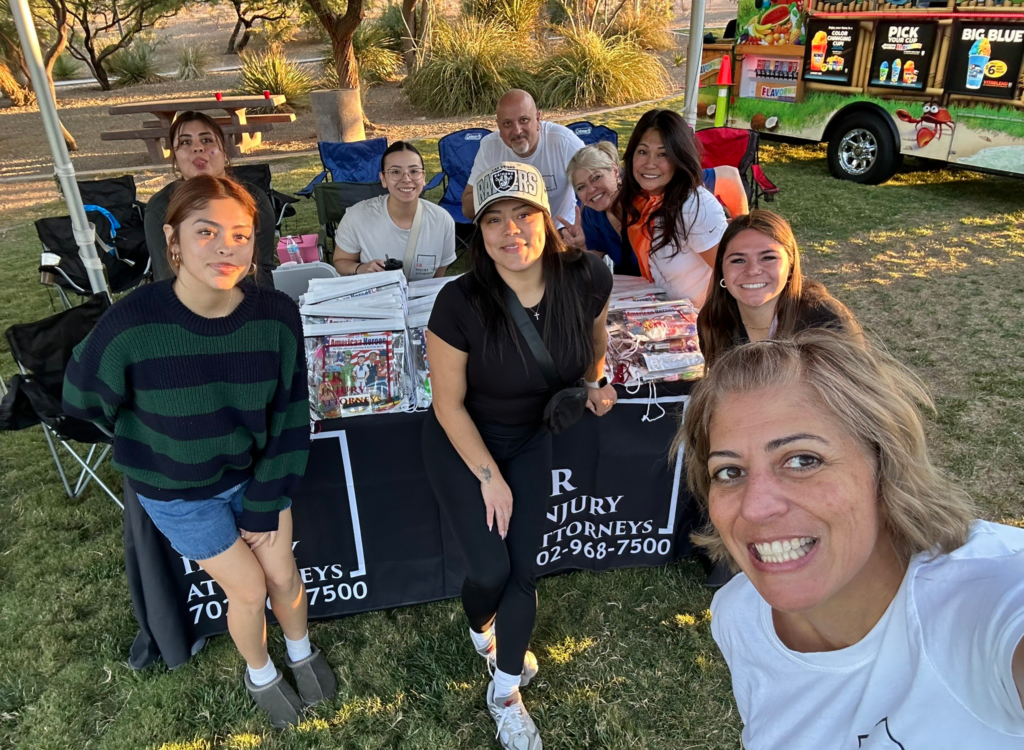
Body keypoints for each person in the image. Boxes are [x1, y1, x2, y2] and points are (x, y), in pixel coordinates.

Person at [64, 175, 337, 729]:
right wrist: (153, 439)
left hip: (254, 474)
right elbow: (83, 398)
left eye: (239, 234)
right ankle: (260, 671)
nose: (224, 247)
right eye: (205, 231)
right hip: (178, 493)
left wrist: (266, 497)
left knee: (283, 574)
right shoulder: (132, 322)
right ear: (174, 239)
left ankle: (301, 650)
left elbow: (289, 413)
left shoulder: (275, 314)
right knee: (249, 587)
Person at [677, 329, 1024, 749]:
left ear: (885, 466)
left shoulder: (985, 601)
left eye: (802, 460)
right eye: (729, 472)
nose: (755, 507)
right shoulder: (739, 616)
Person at [424, 162, 616, 749]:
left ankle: (504, 689)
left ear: (548, 219)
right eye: (495, 221)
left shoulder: (588, 277)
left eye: (525, 215)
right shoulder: (458, 301)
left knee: (523, 569)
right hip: (464, 444)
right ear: (479, 233)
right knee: (489, 570)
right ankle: (481, 628)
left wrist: (592, 384)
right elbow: (448, 404)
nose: (512, 232)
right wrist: (489, 478)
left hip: (531, 439)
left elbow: (596, 342)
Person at [698, 210, 861, 368]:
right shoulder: (713, 322)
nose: (753, 270)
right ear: (722, 268)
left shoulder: (825, 323)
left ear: (790, 265)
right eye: (738, 260)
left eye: (768, 258)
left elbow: (851, 392)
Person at [561, 141, 748, 274]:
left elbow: (728, 177)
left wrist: (742, 227)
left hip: (694, 286)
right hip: (640, 298)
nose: (591, 190)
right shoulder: (592, 216)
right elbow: (594, 268)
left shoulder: (647, 185)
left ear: (615, 171)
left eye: (596, 178)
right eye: (581, 187)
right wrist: (580, 249)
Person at [144, 111, 276, 287]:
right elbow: (166, 277)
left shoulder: (253, 198)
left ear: (223, 150)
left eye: (207, 140)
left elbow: (261, 267)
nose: (198, 148)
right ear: (175, 158)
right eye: (185, 142)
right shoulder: (161, 207)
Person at [618, 109, 728, 307]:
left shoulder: (695, 206)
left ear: (679, 159)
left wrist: (714, 326)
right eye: (643, 152)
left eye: (663, 154)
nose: (650, 164)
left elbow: (730, 276)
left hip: (704, 320)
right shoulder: (643, 201)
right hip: (668, 311)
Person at [461, 89, 585, 228]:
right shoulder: (489, 147)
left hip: (560, 230)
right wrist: (495, 188)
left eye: (524, 120)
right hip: (513, 235)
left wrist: (584, 228)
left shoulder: (563, 141)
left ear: (538, 119)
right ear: (498, 126)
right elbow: (467, 210)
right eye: (507, 123)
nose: (517, 131)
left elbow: (595, 186)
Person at [333, 141, 456, 279]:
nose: (406, 179)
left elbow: (437, 278)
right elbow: (340, 261)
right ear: (383, 179)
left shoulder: (442, 220)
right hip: (376, 297)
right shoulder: (356, 217)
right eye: (396, 172)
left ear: (423, 178)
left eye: (414, 171)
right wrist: (361, 268)